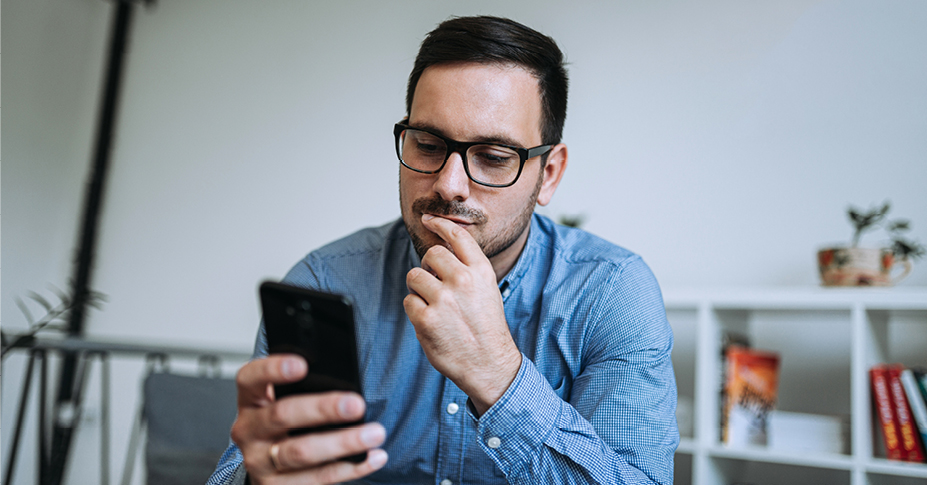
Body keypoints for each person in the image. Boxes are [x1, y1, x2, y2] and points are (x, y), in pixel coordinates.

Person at [208, 15, 677, 485]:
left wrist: (499, 378)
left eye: (493, 157)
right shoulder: (324, 282)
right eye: (428, 144)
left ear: (549, 173)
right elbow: (258, 463)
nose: (449, 185)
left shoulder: (612, 293)